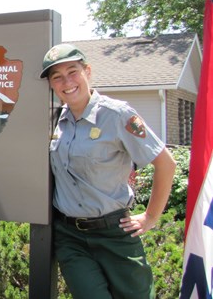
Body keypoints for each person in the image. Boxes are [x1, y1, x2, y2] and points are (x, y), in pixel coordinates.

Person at [40, 44, 176, 299]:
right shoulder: (55, 119)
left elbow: (166, 164)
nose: (66, 82)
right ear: (51, 84)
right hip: (70, 237)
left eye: (73, 72)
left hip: (115, 234)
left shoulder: (117, 115)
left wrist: (150, 217)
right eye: (57, 77)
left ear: (87, 71)